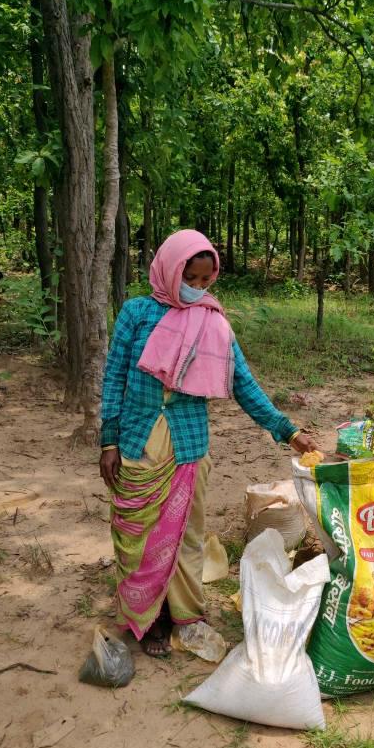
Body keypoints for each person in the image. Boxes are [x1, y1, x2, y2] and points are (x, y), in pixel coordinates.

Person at [100, 229, 317, 658]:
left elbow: (244, 385)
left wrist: (287, 430)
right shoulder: (136, 313)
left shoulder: (213, 322)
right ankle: (150, 616)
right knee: (139, 536)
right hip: (137, 441)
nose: (197, 288)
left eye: (205, 280)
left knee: (185, 536)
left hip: (187, 446)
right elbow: (114, 377)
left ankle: (183, 614)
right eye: (190, 278)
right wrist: (108, 442)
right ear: (169, 270)